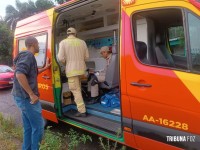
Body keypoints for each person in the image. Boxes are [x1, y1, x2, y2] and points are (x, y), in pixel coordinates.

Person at [11, 36, 51, 150]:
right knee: (38, 127)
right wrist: (31, 94)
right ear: (33, 44)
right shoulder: (28, 55)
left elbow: (31, 73)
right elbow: (20, 74)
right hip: (26, 98)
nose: (39, 46)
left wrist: (46, 67)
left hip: (21, 97)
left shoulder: (26, 56)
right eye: (38, 44)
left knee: (28, 128)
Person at [57, 27, 89, 117]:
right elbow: (86, 57)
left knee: (75, 90)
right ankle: (80, 103)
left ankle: (82, 110)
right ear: (76, 33)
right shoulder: (82, 42)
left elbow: (60, 58)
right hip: (82, 70)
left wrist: (67, 63)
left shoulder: (63, 43)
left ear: (67, 34)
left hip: (71, 71)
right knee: (78, 88)